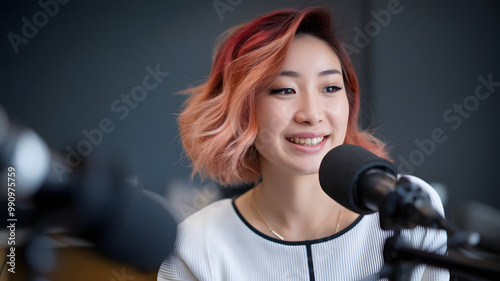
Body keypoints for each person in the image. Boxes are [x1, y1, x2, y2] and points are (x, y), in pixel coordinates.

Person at [158, 6, 449, 281]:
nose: (312, 114)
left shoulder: (406, 206)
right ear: (241, 110)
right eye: (285, 89)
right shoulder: (195, 246)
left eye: (330, 88)